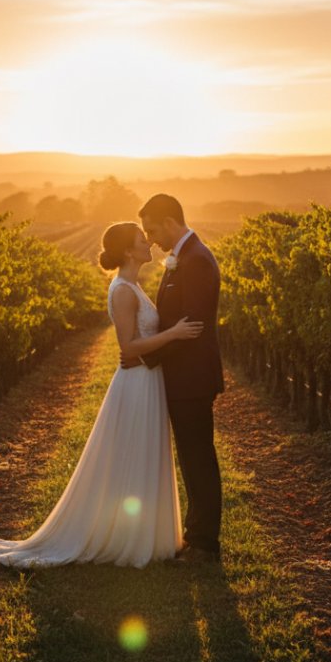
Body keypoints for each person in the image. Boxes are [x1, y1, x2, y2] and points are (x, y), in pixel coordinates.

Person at [0, 222, 203, 568]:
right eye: (141, 240)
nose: (148, 242)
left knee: (142, 453)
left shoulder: (132, 285)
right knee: (133, 454)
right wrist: (175, 334)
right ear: (127, 251)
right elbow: (129, 347)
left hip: (147, 381)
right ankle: (129, 540)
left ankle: (145, 534)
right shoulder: (122, 290)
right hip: (136, 382)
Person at [124, 194, 225, 564]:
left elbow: (192, 328)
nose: (150, 239)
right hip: (184, 377)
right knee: (192, 457)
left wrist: (144, 354)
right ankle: (196, 536)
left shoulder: (196, 260)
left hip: (192, 378)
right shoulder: (185, 256)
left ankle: (205, 544)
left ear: (169, 222)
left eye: (152, 229)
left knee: (198, 459)